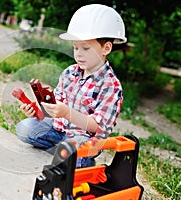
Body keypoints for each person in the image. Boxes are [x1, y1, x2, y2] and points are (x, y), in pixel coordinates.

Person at [15, 4, 126, 168]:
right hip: (58, 130)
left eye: (86, 48)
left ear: (106, 48)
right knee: (24, 128)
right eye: (75, 48)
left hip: (85, 138)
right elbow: (53, 111)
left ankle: (72, 155)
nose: (79, 53)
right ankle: (64, 152)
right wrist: (37, 111)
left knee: (80, 145)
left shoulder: (111, 85)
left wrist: (67, 113)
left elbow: (97, 126)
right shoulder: (69, 73)